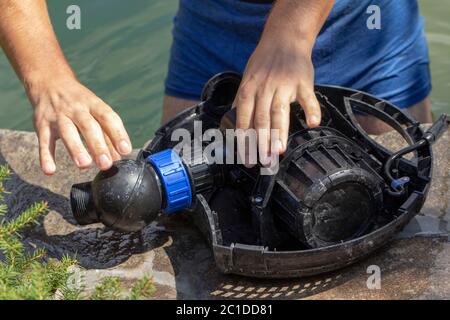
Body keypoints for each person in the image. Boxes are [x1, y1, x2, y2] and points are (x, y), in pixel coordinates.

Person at [0, 0, 432, 175]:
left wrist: (290, 33)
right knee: (180, 185)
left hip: (362, 22)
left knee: (401, 176)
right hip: (216, 19)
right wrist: (49, 78)